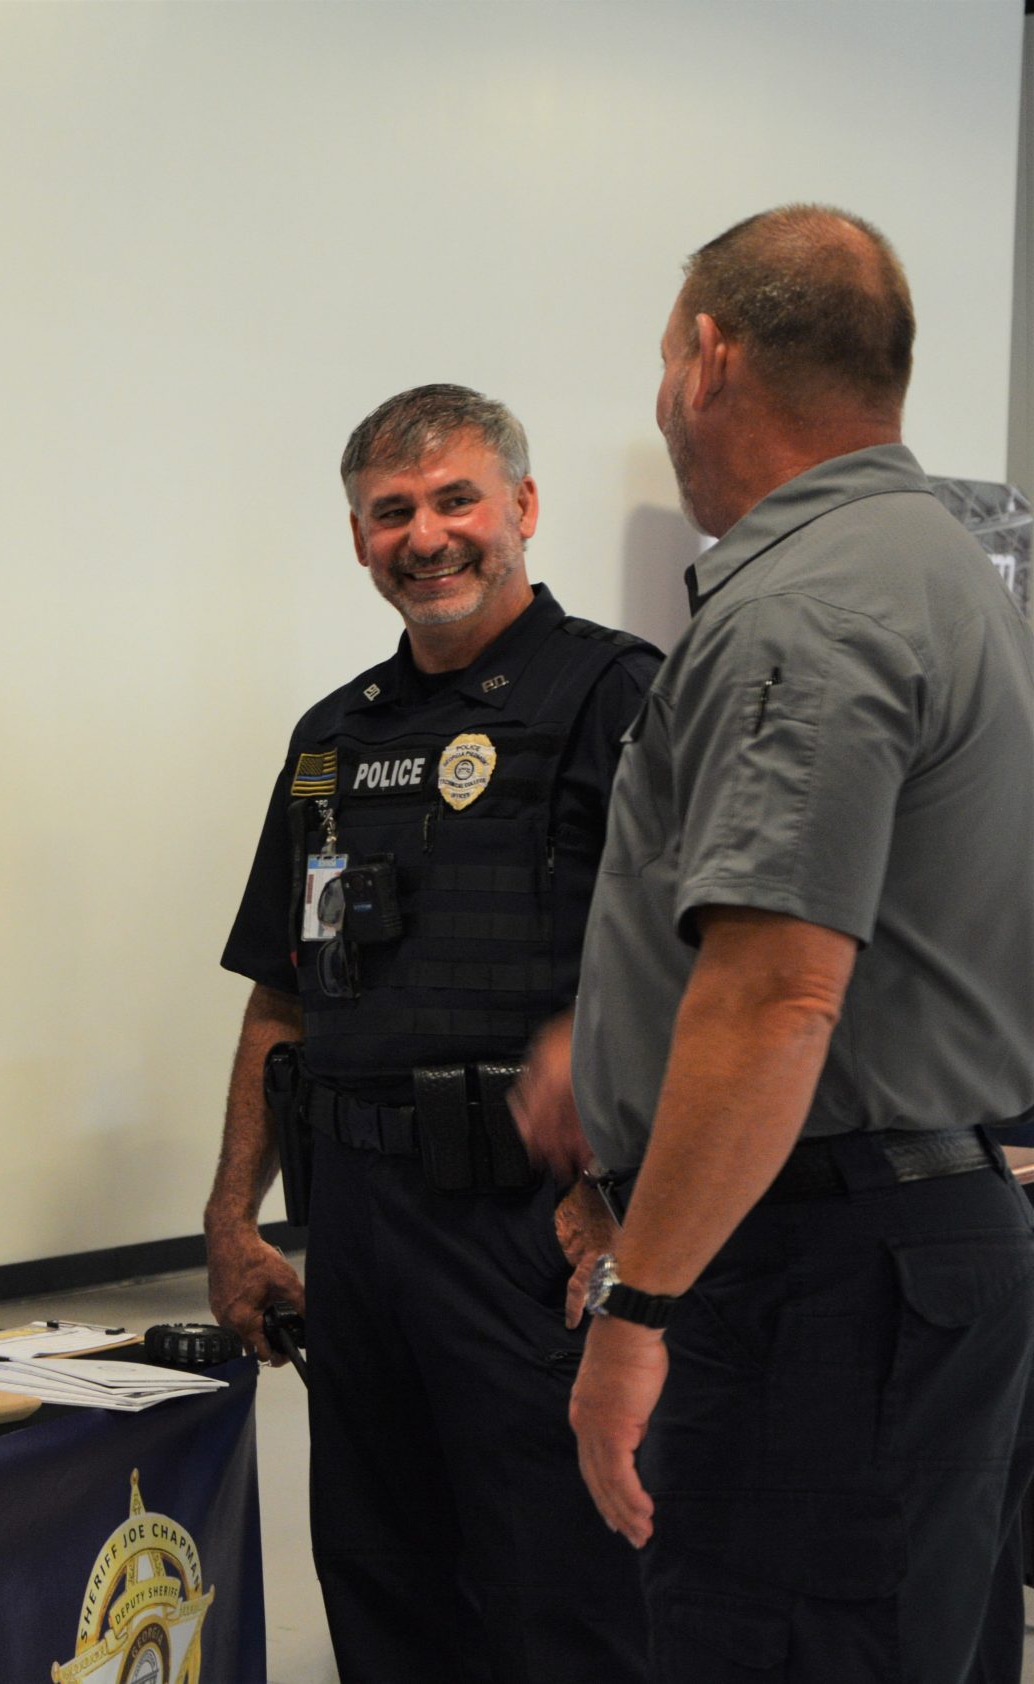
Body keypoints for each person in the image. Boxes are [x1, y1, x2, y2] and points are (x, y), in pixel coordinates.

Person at [514, 205, 1034, 1683]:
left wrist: (637, 1312)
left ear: (709, 357)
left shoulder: (804, 608)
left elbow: (781, 996)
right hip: (909, 1246)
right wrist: (615, 1043)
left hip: (821, 1285)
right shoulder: (933, 568)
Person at [204, 385, 661, 1680]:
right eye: (391, 512)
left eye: (457, 499)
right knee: (382, 1582)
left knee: (559, 1595)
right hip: (358, 1234)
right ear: (357, 538)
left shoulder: (615, 697)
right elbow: (281, 997)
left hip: (537, 1233)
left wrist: (630, 1213)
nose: (428, 535)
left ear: (521, 508)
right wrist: (235, 1218)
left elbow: (700, 971)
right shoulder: (331, 739)